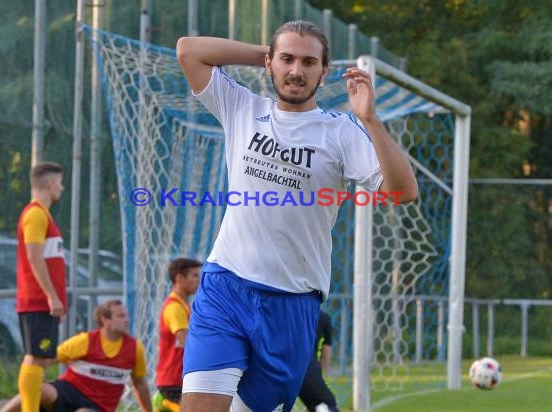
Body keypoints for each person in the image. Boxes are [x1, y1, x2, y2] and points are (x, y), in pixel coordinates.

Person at [176, 20, 418, 412]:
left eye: (309, 62)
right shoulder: (242, 107)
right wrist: (266, 56)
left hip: (292, 306)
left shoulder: (341, 131)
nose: (296, 71)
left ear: (325, 72)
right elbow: (188, 50)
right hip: (226, 288)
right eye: (287, 59)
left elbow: (404, 191)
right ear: (270, 63)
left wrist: (371, 120)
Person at [0, 300, 153, 412]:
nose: (127, 320)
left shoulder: (134, 348)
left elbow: (140, 384)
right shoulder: (85, 341)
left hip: (97, 406)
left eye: (126, 316)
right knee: (38, 389)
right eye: (121, 316)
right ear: (105, 320)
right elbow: (44, 360)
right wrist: (37, 374)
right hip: (69, 391)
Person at [15, 161, 66, 412]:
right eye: (60, 182)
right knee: (36, 357)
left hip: (41, 300)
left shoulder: (43, 214)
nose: (62, 188)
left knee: (39, 358)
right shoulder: (35, 213)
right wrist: (51, 297)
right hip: (36, 300)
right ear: (49, 184)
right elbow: (34, 257)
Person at [153, 258, 202, 412]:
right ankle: (162, 401)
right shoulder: (174, 308)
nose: (199, 280)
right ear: (180, 278)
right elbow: (188, 342)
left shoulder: (184, 305)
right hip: (174, 381)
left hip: (181, 379)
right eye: (194, 276)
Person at [299, 310, 339, 412]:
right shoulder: (322, 316)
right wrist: (320, 380)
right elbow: (326, 352)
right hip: (304, 367)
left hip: (271, 366)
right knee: (325, 405)